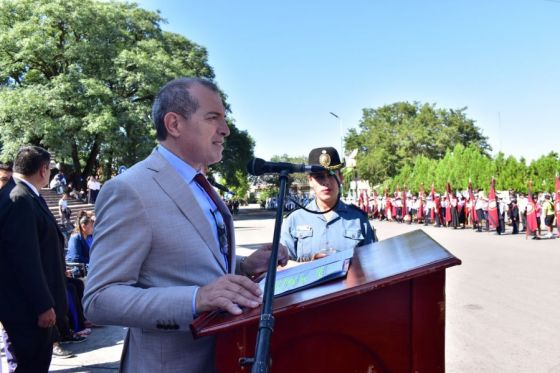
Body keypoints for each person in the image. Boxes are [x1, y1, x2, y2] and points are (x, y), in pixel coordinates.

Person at [83, 77, 288, 373]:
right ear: (174, 124)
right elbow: (99, 299)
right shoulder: (130, 190)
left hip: (223, 355)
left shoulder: (199, 182)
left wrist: (243, 266)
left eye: (225, 119)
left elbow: (190, 263)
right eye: (212, 118)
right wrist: (196, 299)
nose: (225, 130)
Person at [0, 146, 68, 372]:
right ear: (43, 169)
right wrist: (43, 305)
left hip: (29, 305)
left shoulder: (23, 194)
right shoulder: (19, 198)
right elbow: (24, 259)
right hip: (29, 310)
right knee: (32, 366)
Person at [280, 146, 377, 262]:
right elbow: (283, 265)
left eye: (331, 175)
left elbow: (372, 261)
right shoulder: (294, 219)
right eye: (319, 177)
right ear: (310, 180)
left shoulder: (358, 219)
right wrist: (310, 264)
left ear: (341, 178)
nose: (326, 182)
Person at [65, 211, 95, 277]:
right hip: (76, 266)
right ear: (83, 226)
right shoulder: (75, 237)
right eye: (91, 226)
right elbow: (75, 257)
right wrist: (93, 260)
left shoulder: (89, 236)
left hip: (87, 264)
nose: (93, 228)